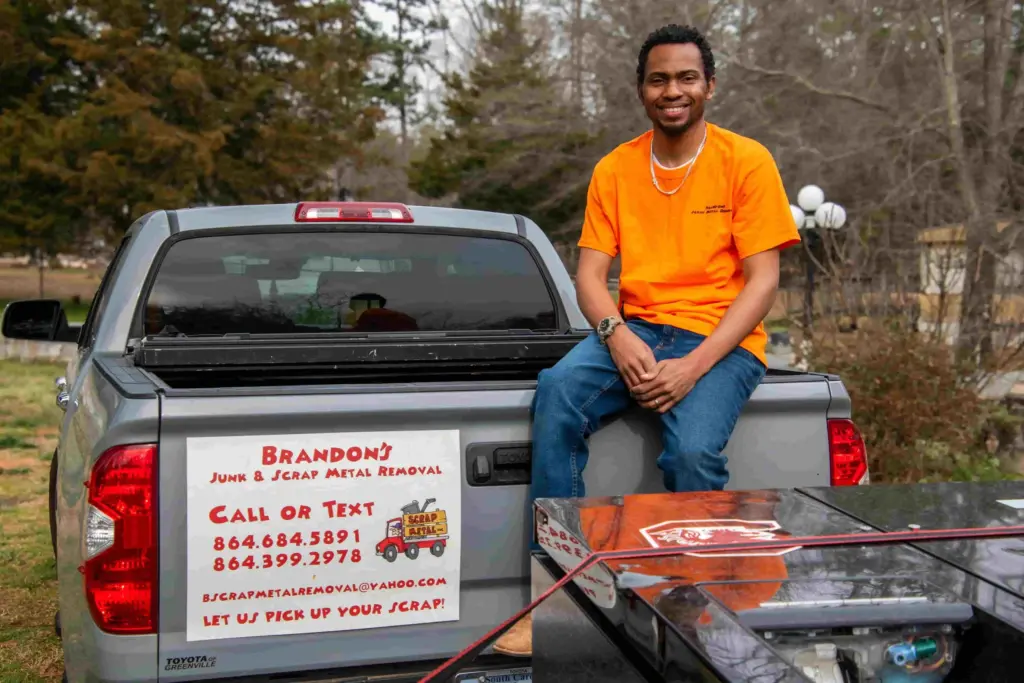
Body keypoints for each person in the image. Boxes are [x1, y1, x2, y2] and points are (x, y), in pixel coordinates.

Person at [492, 23, 801, 657]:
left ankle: (696, 609)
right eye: (659, 79)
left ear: (709, 86)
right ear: (642, 90)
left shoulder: (746, 160)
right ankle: (558, 599)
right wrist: (615, 332)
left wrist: (693, 365)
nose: (673, 90)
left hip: (721, 338)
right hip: (635, 330)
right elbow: (589, 275)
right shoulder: (616, 167)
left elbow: (763, 281)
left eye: (687, 77)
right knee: (557, 393)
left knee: (690, 456)